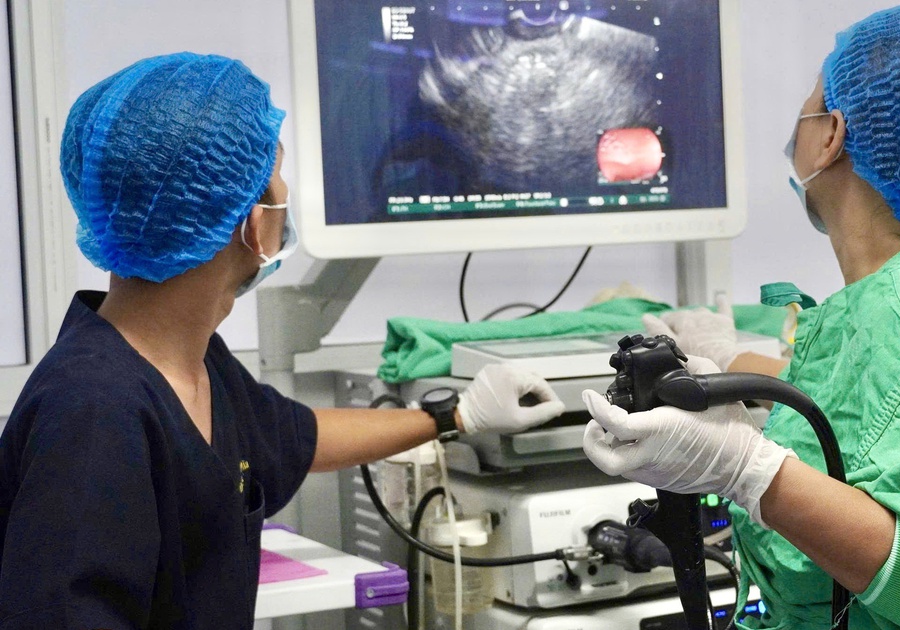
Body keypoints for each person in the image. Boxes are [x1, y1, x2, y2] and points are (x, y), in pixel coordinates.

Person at [0, 52, 565, 629]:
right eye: (278, 177)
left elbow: (294, 436)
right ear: (252, 222)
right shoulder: (94, 410)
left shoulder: (193, 363)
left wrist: (458, 415)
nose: (286, 194)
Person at [582, 4, 900, 629]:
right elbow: (885, 416)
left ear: (831, 134)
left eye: (808, 107)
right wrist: (736, 372)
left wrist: (747, 470)